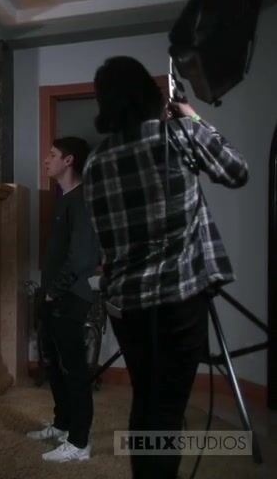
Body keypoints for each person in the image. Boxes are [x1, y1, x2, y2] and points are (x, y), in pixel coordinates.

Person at [83, 56, 248, 479]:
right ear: (148, 93)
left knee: (147, 398)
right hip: (180, 299)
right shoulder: (180, 135)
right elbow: (236, 171)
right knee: (169, 407)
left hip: (129, 306)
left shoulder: (95, 163)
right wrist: (193, 116)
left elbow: (107, 239)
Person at [26, 137, 100, 463]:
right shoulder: (64, 199)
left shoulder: (81, 200)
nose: (46, 160)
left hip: (69, 297)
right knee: (54, 365)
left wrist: (55, 290)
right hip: (55, 296)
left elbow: (82, 257)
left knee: (73, 370)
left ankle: (80, 442)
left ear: (69, 161)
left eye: (53, 155)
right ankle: (62, 424)